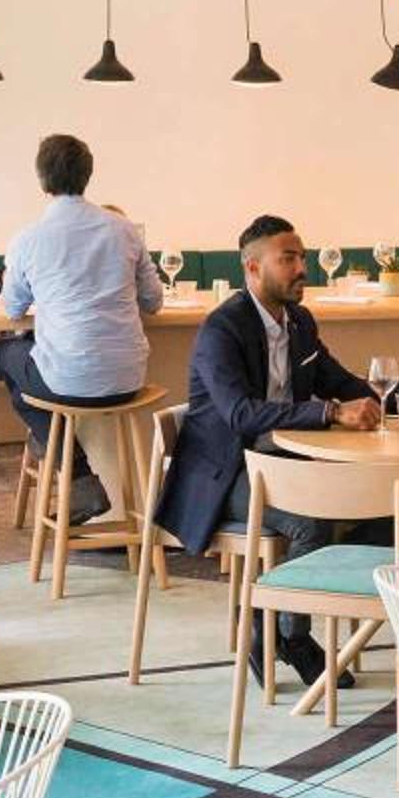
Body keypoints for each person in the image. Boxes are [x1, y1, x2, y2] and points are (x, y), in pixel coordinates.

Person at [154, 215, 381, 681]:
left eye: (302, 257)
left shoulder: (299, 322)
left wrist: (390, 396)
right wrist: (330, 413)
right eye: (288, 259)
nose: (302, 268)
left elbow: (337, 381)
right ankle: (288, 635)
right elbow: (240, 414)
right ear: (253, 268)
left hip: (281, 463)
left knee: (367, 502)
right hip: (224, 473)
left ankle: (272, 615)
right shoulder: (221, 330)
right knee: (312, 520)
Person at [0, 134, 162, 525]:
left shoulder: (28, 239)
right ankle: (59, 453)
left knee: (5, 354)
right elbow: (153, 301)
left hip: (67, 382)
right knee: (37, 361)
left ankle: (76, 473)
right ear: (88, 175)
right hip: (129, 380)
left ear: (42, 180)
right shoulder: (125, 230)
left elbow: (12, 307)